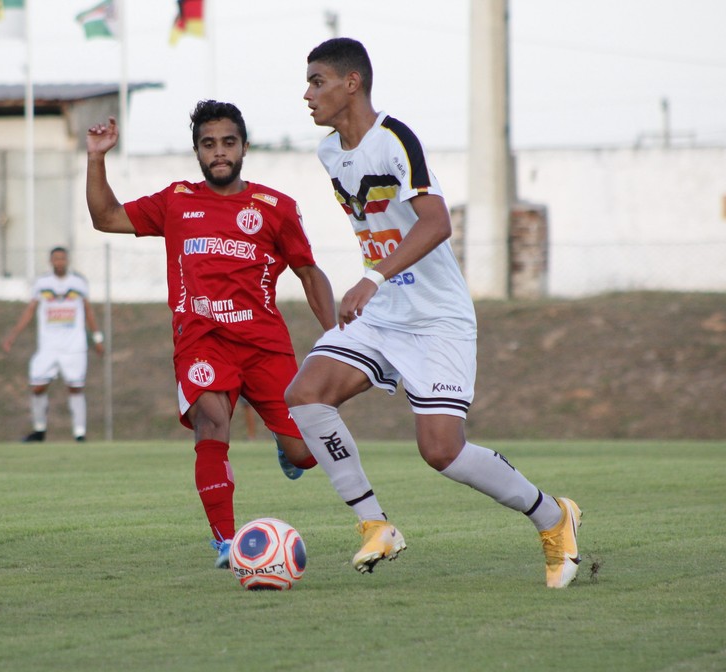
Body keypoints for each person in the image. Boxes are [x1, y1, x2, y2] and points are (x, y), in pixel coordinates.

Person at [286, 37, 582, 588]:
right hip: (381, 312)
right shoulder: (330, 153)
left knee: (441, 451)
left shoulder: (395, 138)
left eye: (317, 81)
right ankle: (374, 524)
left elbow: (437, 221)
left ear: (352, 83)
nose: (307, 94)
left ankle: (553, 516)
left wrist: (372, 277)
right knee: (305, 394)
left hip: (436, 316)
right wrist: (377, 284)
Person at [85, 100, 336, 569]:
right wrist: (97, 157)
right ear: (197, 151)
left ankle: (287, 446)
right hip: (203, 339)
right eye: (208, 144)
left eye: (227, 143)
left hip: (264, 345)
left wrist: (338, 336)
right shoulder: (176, 201)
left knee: (306, 454)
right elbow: (106, 216)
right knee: (211, 422)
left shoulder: (275, 208)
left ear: (244, 147)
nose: (218, 153)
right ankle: (225, 541)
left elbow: (308, 271)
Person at [2, 246, 105, 442]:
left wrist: (97, 338)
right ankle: (39, 430)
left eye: (62, 258)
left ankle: (79, 434)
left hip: (74, 346)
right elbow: (30, 310)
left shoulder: (78, 282)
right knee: (38, 386)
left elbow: (88, 311)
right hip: (48, 346)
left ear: (67, 261)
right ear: (51, 261)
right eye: (56, 259)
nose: (59, 262)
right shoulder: (42, 283)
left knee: (75, 387)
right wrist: (13, 335)